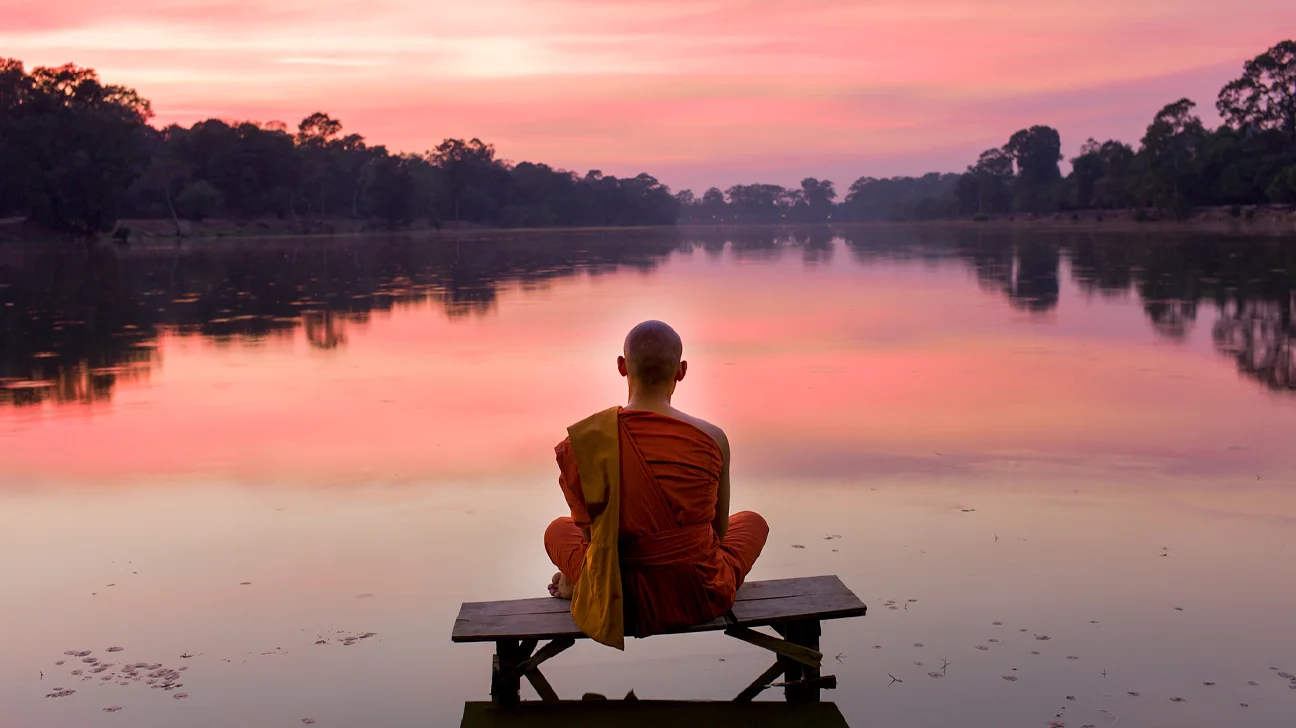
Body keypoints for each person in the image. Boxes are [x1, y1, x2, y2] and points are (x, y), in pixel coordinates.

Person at [544, 320, 768, 648]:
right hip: (698, 593)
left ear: (622, 366)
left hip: (618, 595)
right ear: (681, 371)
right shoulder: (712, 438)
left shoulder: (586, 442)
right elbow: (719, 535)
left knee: (557, 530)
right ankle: (581, 581)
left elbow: (595, 541)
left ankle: (577, 584)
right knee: (752, 523)